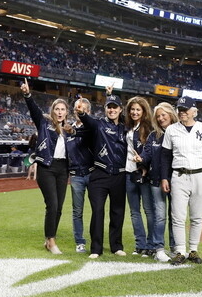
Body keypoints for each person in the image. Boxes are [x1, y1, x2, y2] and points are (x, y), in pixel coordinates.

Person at [161, 96, 202, 266]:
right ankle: (179, 251)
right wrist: (164, 177)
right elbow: (165, 155)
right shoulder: (171, 130)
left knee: (197, 216)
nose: (182, 112)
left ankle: (193, 250)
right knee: (177, 216)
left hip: (200, 175)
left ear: (194, 111)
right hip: (179, 176)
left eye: (185, 109)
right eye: (180, 109)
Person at [75, 93, 127, 259]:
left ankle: (116, 246)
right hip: (99, 174)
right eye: (109, 107)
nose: (112, 110)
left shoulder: (126, 127)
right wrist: (82, 113)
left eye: (115, 107)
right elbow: (88, 121)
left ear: (120, 109)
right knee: (97, 211)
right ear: (105, 109)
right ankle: (96, 248)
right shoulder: (98, 124)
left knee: (117, 212)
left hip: (119, 175)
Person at [21, 79, 70, 255]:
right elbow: (34, 110)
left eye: (62, 109)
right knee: (52, 204)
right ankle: (51, 241)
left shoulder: (70, 130)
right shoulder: (44, 123)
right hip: (47, 167)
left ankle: (49, 238)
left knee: (59, 208)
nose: (59, 112)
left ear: (66, 112)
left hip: (63, 169)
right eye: (57, 109)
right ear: (53, 111)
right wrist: (27, 94)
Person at [137, 102, 178, 262]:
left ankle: (176, 248)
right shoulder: (154, 135)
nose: (161, 118)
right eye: (158, 116)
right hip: (156, 181)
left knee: (175, 216)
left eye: (163, 115)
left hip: (177, 181)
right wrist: (141, 158)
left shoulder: (179, 133)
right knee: (159, 216)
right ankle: (158, 248)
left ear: (171, 114)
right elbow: (147, 153)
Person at [124, 96, 155, 257]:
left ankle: (151, 245)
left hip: (143, 173)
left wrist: (144, 164)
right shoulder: (128, 127)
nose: (135, 112)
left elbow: (151, 151)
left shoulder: (148, 128)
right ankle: (140, 245)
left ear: (144, 112)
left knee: (149, 211)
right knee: (134, 212)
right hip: (128, 173)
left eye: (138, 109)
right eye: (132, 109)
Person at [67, 97, 94, 254]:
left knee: (96, 209)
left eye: (82, 108)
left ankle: (95, 240)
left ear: (88, 112)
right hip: (76, 175)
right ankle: (80, 242)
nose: (79, 111)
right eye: (77, 108)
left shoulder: (93, 128)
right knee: (77, 211)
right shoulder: (68, 130)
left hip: (92, 173)